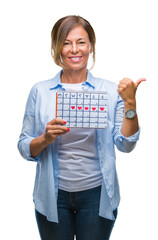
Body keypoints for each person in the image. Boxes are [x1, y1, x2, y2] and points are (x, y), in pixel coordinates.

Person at [17, 15, 144, 240]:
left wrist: (130, 104)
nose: (74, 49)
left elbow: (125, 144)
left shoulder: (110, 90)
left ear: (91, 46)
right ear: (57, 47)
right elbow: (25, 147)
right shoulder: (41, 91)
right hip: (52, 196)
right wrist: (45, 138)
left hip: (97, 195)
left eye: (81, 42)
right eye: (66, 43)